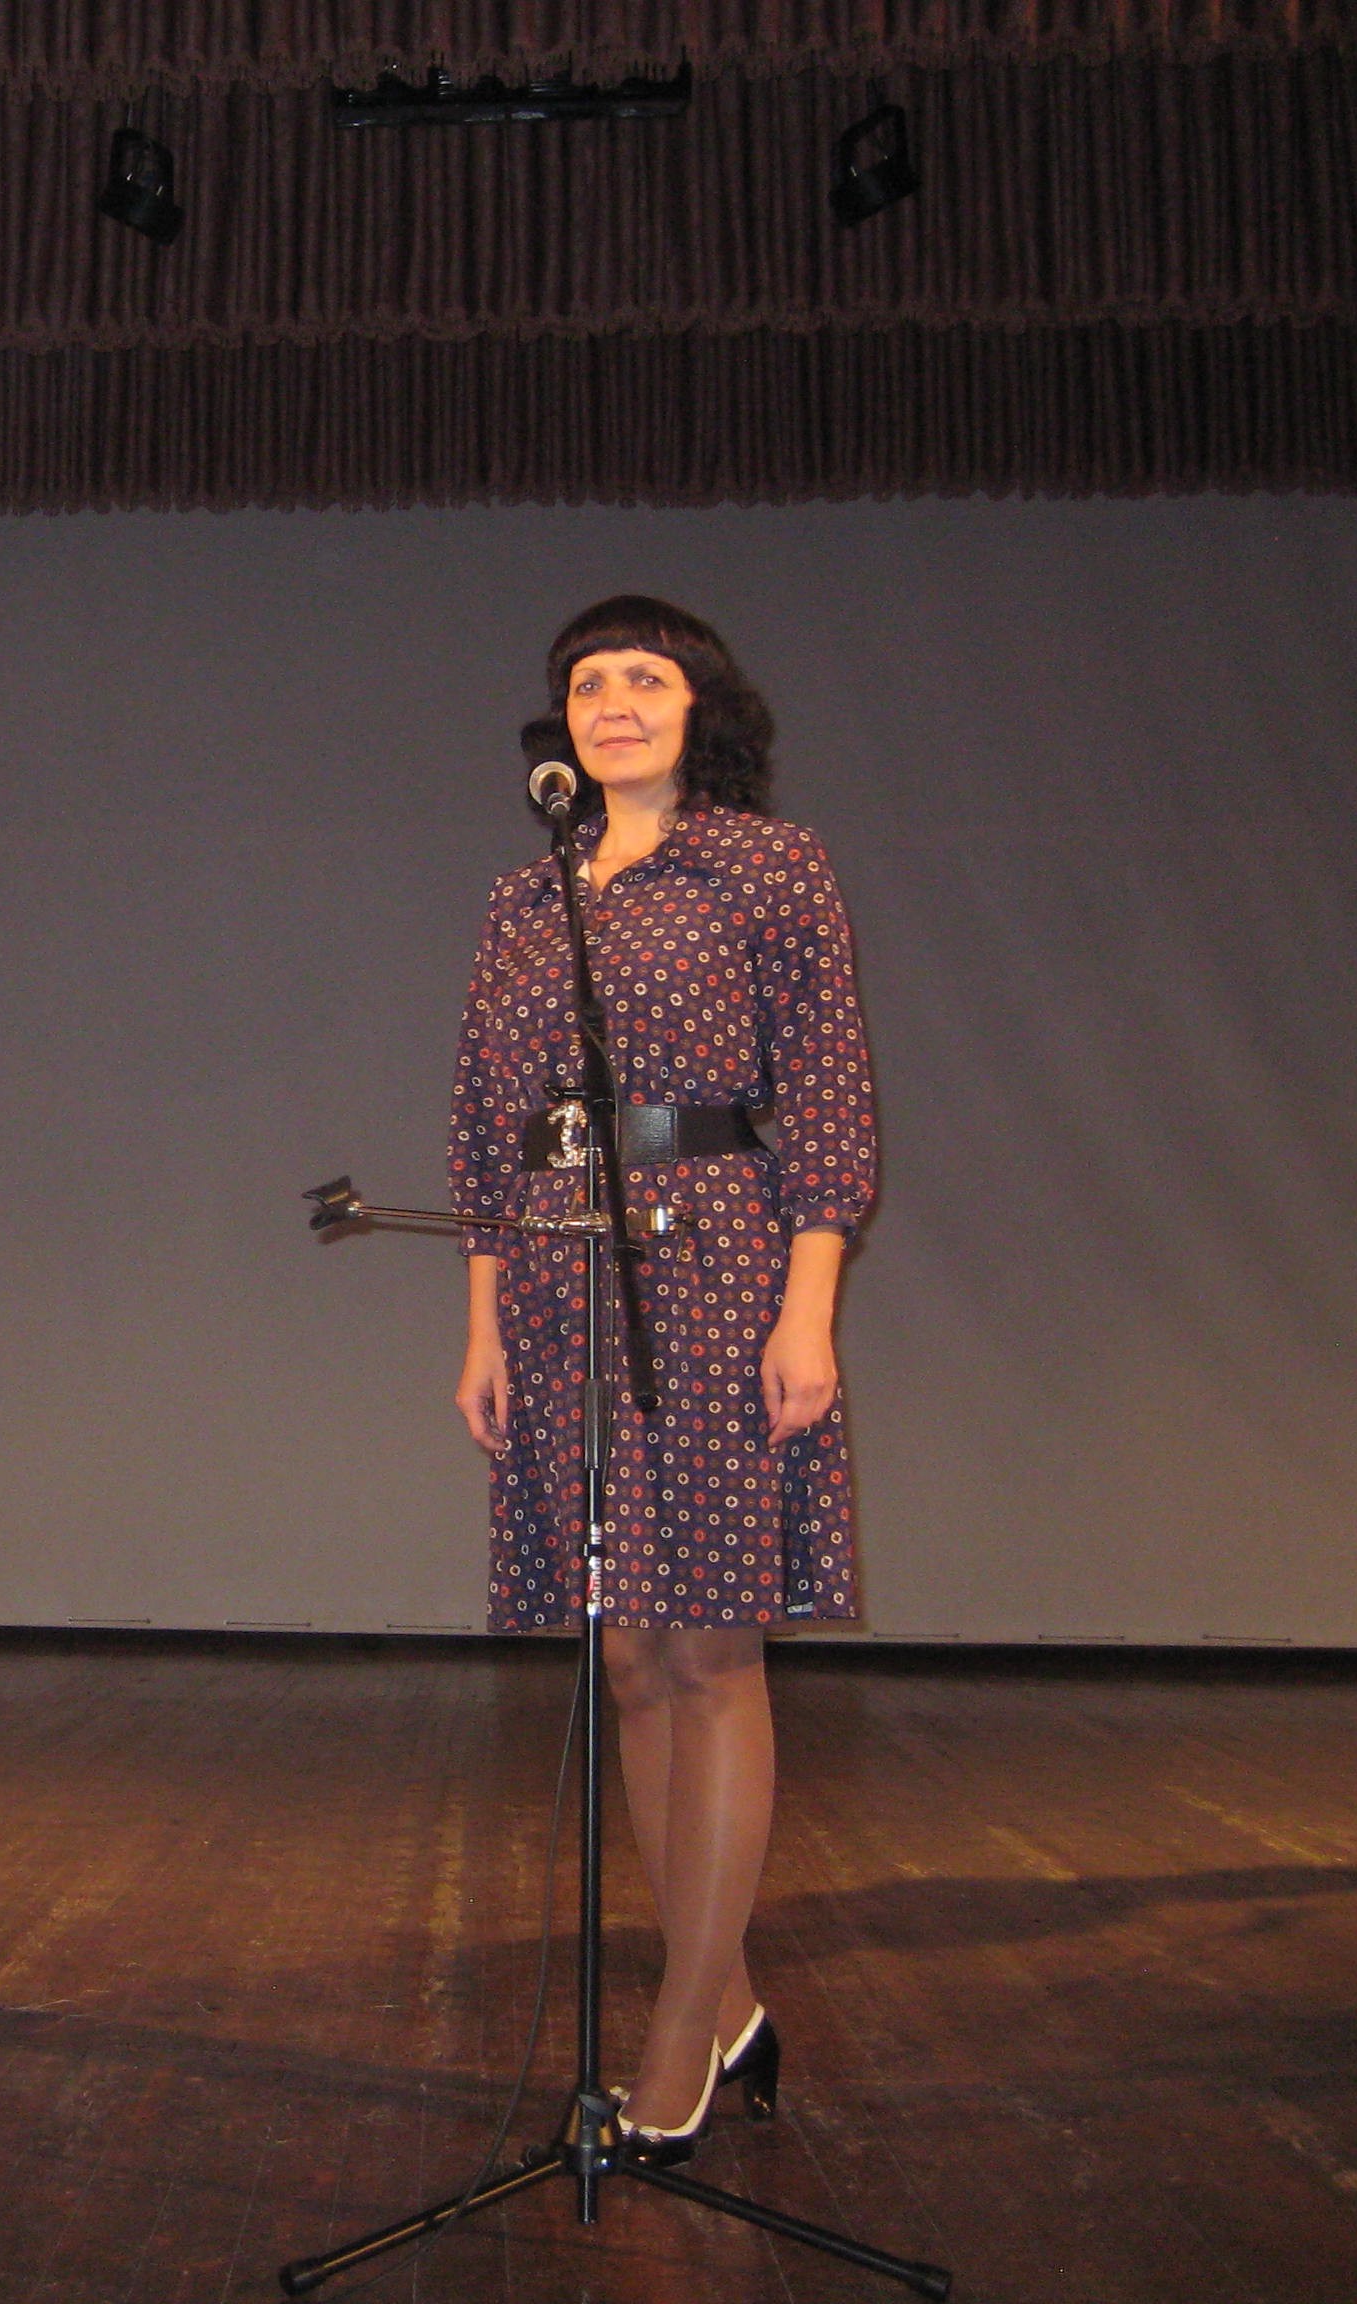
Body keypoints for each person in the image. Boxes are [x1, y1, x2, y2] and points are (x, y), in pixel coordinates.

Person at [446, 596, 875, 2162]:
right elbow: (486, 1123)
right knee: (626, 1659)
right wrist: (486, 1319)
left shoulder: (766, 865)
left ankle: (681, 2036)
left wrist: (808, 1312)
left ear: (702, 708)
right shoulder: (525, 897)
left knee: (708, 1650)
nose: (613, 701)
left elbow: (822, 1094)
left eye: (645, 677)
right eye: (587, 682)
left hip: (715, 1261)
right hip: (557, 1269)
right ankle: (731, 1999)